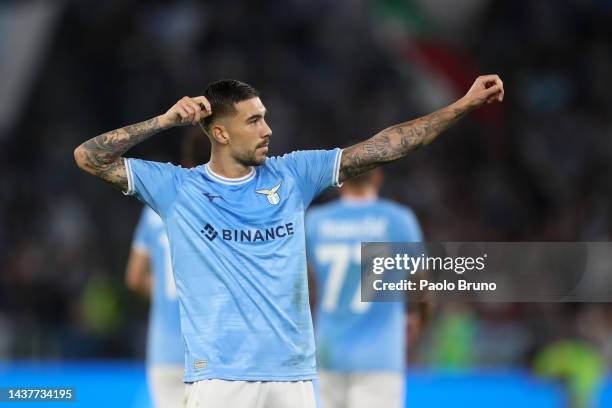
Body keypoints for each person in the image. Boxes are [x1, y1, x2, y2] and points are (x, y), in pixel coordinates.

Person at [73, 76, 504, 407]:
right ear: (220, 133)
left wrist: (462, 105)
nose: (268, 130)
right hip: (220, 379)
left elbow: (383, 148)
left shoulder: (294, 175)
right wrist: (165, 121)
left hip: (293, 377)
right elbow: (89, 157)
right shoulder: (175, 188)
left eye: (265, 117)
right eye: (254, 120)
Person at [305, 168, 423, 408]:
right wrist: (416, 318)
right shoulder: (399, 220)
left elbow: (305, 287)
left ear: (339, 181)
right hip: (380, 356)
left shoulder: (315, 221)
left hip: (327, 352)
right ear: (378, 177)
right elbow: (420, 283)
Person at [124, 134, 207, 408]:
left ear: (184, 162)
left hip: (164, 351)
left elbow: (134, 277)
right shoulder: (226, 208)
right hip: (210, 351)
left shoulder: (154, 209)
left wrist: (162, 291)